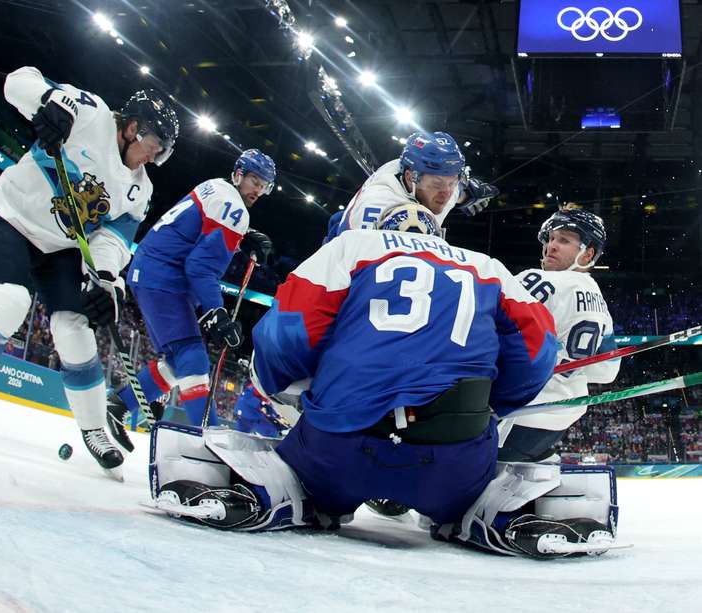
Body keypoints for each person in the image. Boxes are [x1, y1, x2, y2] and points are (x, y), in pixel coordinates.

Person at [147, 202, 617, 558]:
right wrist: (494, 408)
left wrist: (289, 390)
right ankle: (492, 512)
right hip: (452, 458)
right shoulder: (487, 266)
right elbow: (537, 353)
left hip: (341, 447)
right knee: (466, 489)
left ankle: (277, 489)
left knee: (305, 472)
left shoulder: (352, 246)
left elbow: (284, 333)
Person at [0, 65, 179, 480]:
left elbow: (114, 238)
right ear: (132, 127)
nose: (155, 157)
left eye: (162, 151)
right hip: (12, 218)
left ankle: (93, 429)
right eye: (154, 145)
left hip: (62, 247)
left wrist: (105, 279)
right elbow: (20, 81)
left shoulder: (141, 188)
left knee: (75, 329)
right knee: (9, 302)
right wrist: (50, 108)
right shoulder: (92, 114)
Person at [105, 149, 275, 451]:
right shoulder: (234, 207)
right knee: (193, 357)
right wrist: (216, 312)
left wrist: (242, 236)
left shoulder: (216, 186)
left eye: (265, 185)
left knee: (176, 360)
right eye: (254, 180)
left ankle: (119, 406)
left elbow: (197, 229)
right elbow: (201, 267)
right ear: (238, 174)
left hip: (152, 270)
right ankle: (206, 442)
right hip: (164, 278)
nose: (258, 190)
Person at [497, 205, 619, 462]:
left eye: (564, 240)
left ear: (587, 254)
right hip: (560, 420)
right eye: (551, 238)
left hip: (516, 415)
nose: (551, 246)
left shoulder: (538, 281)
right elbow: (606, 373)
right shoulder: (600, 303)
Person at [335, 131, 498, 236]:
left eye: (452, 183)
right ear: (409, 177)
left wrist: (468, 196)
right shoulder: (376, 206)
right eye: (437, 184)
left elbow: (456, 191)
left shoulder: (437, 186)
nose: (446, 193)